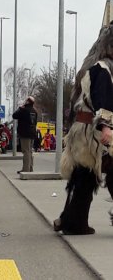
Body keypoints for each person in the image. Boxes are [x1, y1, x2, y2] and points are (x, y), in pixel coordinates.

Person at [54, 21, 113, 235]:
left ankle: (69, 220)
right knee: (87, 177)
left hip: (85, 131)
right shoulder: (104, 70)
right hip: (93, 133)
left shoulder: (96, 68)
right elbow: (102, 101)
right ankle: (73, 222)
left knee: (84, 178)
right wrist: (106, 127)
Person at [12, 96, 37, 173]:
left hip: (25, 133)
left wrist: (20, 108)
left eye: (25, 100)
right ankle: (30, 168)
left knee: (26, 151)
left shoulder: (23, 110)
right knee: (30, 151)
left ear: (27, 102)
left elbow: (14, 116)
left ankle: (25, 169)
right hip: (32, 133)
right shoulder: (35, 111)